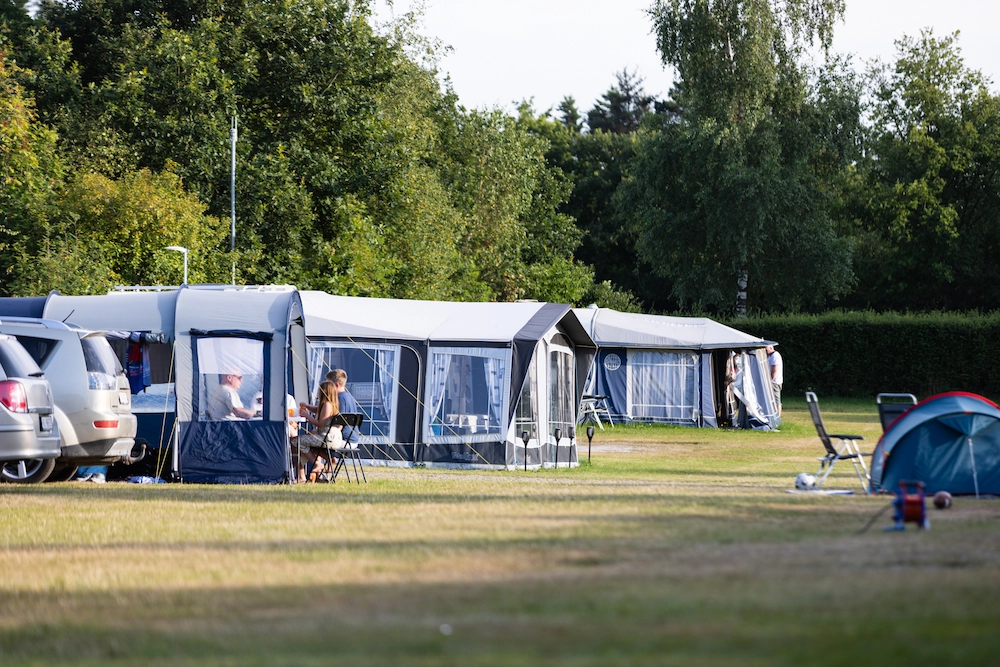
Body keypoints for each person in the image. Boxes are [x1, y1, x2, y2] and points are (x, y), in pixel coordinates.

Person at [298, 380, 345, 481]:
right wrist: (307, 406)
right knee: (308, 445)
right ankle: (328, 459)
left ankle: (317, 464)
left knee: (297, 441)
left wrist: (307, 416)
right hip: (333, 437)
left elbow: (320, 423)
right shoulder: (331, 404)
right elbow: (317, 409)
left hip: (327, 438)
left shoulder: (327, 405)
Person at [326, 369, 360, 446]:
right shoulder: (349, 397)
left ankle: (332, 458)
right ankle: (332, 458)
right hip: (353, 439)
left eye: (330, 385)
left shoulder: (339, 399)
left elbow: (339, 424)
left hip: (344, 439)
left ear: (336, 385)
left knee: (311, 440)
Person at [765, 345, 783, 417]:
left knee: (776, 400)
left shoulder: (775, 356)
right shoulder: (770, 356)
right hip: (772, 381)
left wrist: (770, 380)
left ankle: (778, 417)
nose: (765, 351)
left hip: (775, 382)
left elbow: (775, 369)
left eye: (766, 350)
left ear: (771, 348)